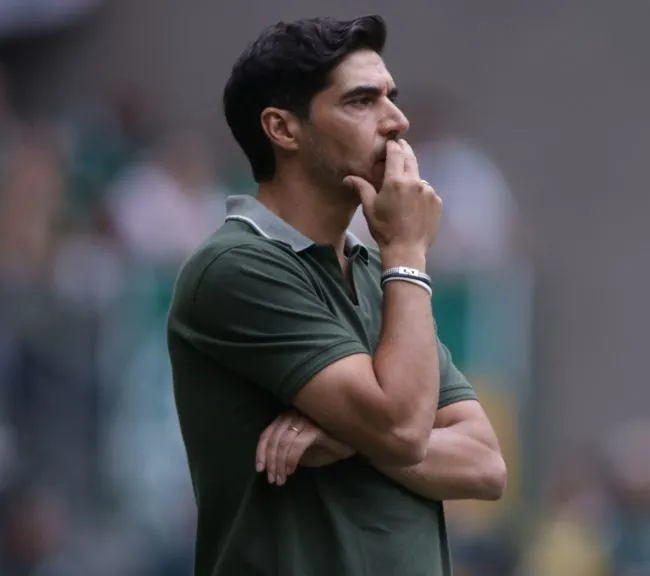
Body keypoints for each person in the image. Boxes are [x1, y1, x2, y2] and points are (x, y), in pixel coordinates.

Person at [166, 14, 507, 576]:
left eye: (391, 97)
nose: (397, 121)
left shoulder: (380, 272)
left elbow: (485, 463)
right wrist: (408, 251)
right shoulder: (236, 267)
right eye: (361, 101)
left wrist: (348, 436)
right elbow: (403, 429)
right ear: (283, 128)